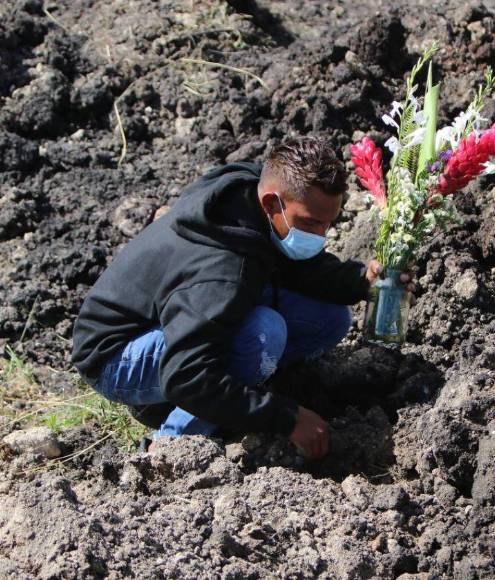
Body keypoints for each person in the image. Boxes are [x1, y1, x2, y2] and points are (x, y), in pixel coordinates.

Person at [70, 137, 416, 460]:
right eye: (310, 224)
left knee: (330, 319)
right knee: (261, 335)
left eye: (327, 225)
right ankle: (170, 445)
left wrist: (359, 281)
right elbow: (185, 374)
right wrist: (286, 418)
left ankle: (201, 399)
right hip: (117, 356)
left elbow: (298, 267)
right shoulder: (222, 271)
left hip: (178, 323)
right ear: (272, 203)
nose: (320, 236)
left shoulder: (256, 198)